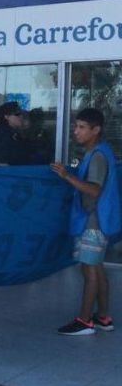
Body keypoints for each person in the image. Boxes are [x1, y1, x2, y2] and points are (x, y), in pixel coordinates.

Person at [51, 108, 121, 335]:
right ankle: (103, 317)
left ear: (96, 130)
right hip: (97, 220)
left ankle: (84, 321)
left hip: (94, 222)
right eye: (76, 126)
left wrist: (66, 175)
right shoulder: (97, 153)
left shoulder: (98, 156)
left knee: (89, 269)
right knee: (97, 268)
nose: (76, 132)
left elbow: (94, 190)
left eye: (81, 127)